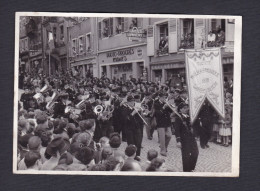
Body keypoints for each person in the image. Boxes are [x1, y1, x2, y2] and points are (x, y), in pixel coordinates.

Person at [175, 102, 198, 172]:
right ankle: (186, 170)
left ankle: (191, 167)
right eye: (184, 108)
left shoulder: (189, 117)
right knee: (186, 155)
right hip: (184, 139)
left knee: (195, 153)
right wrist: (178, 141)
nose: (186, 109)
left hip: (192, 138)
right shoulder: (178, 118)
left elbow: (194, 127)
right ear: (180, 109)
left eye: (187, 108)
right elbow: (177, 130)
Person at [122, 95, 144, 161]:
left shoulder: (136, 108)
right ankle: (131, 156)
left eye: (133, 101)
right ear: (128, 103)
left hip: (137, 128)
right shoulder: (125, 110)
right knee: (131, 143)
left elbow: (140, 119)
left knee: (138, 142)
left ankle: (137, 155)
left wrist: (141, 112)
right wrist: (132, 113)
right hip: (129, 129)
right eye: (131, 102)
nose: (132, 103)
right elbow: (126, 120)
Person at [153, 92, 172, 156]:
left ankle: (164, 147)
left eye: (165, 97)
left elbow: (171, 111)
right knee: (162, 137)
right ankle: (163, 151)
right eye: (163, 97)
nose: (164, 99)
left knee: (169, 135)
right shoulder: (156, 104)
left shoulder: (165, 103)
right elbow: (158, 113)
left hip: (167, 122)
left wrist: (170, 106)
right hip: (160, 123)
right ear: (160, 97)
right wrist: (164, 107)